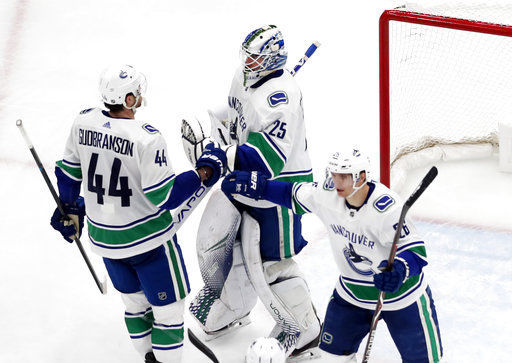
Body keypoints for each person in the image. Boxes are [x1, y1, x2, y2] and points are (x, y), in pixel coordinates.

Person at [49, 64, 226, 363]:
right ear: (128, 100)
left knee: (134, 305)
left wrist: (68, 207)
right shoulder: (146, 137)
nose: (139, 95)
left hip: (104, 239)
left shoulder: (83, 121)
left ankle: (148, 358)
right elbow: (166, 196)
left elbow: (67, 174)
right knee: (169, 311)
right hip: (148, 241)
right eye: (135, 92)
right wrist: (205, 169)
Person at [221, 147, 443, 363]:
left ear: (361, 177)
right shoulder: (327, 194)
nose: (337, 181)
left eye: (344, 176)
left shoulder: (387, 209)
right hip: (352, 294)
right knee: (331, 357)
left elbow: (416, 251)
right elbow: (291, 194)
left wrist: (400, 270)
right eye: (335, 174)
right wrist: (259, 187)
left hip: (402, 298)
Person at [186, 25, 321, 356]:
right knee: (226, 241)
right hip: (242, 176)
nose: (247, 61)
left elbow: (266, 160)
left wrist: (221, 154)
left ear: (272, 59)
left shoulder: (281, 97)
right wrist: (219, 128)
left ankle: (305, 328)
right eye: (246, 55)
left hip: (279, 187)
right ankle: (234, 304)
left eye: (255, 57)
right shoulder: (245, 75)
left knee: (272, 259)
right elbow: (238, 117)